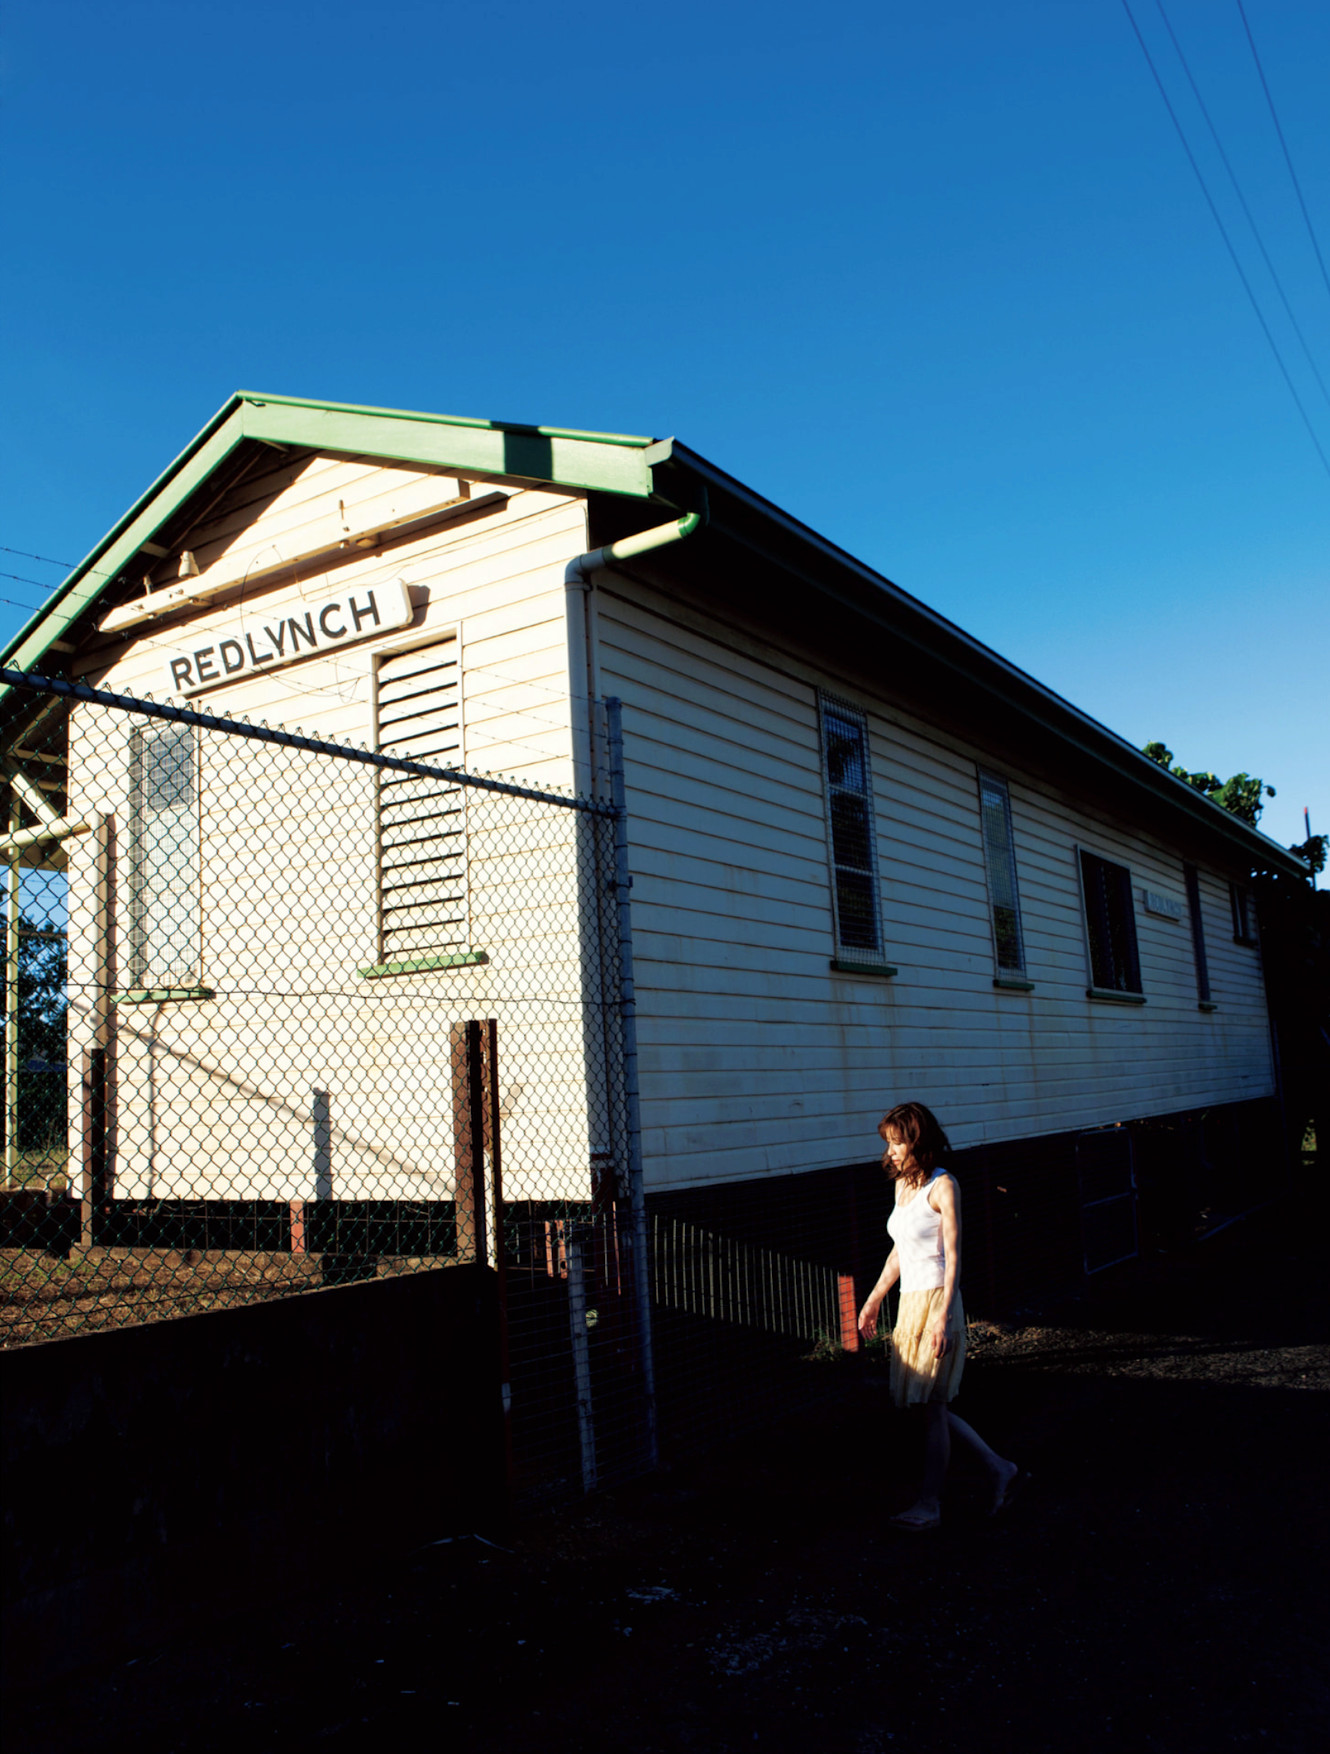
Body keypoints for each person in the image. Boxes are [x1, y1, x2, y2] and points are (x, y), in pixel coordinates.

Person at [858, 1100, 1023, 1530]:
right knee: (928, 1405)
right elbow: (900, 1249)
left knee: (933, 1408)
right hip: (910, 1303)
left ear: (918, 1141)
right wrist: (875, 1297)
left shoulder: (943, 1185)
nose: (890, 1151)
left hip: (937, 1302)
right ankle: (998, 1467)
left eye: (898, 1143)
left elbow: (953, 1255)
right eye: (889, 1143)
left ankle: (930, 1504)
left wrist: (943, 1315)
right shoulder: (903, 1187)